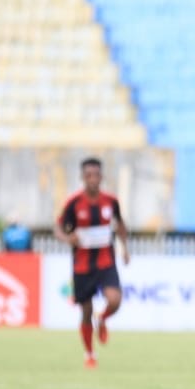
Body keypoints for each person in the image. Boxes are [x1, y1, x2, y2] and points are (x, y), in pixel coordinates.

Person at [54, 157, 130, 369]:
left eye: (96, 175)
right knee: (85, 311)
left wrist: (125, 249)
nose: (93, 179)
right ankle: (90, 353)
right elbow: (58, 228)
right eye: (88, 175)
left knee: (114, 300)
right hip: (82, 265)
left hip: (106, 260)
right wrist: (68, 238)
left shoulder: (110, 202)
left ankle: (103, 318)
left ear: (101, 176)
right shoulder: (74, 203)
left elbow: (120, 223)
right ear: (82, 177)